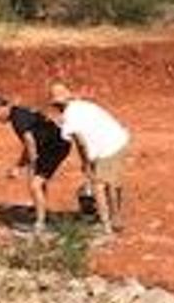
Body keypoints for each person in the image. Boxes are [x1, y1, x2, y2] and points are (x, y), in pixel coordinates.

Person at [49, 81, 132, 233]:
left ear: (58, 105)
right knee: (111, 182)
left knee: (97, 185)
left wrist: (86, 164)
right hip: (119, 139)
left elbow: (80, 143)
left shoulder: (69, 117)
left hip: (107, 147)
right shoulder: (83, 105)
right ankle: (116, 218)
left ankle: (106, 225)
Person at [0, 91, 69, 233]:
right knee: (38, 181)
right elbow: (29, 142)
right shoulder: (18, 112)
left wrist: (30, 161)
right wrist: (22, 164)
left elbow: (29, 142)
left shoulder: (18, 119)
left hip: (54, 147)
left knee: (35, 184)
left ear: (1, 109)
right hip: (53, 144)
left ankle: (40, 224)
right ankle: (41, 211)